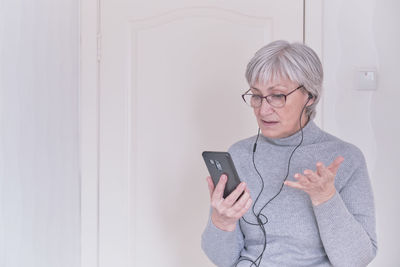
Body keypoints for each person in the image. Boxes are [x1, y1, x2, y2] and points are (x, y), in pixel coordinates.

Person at [201, 40, 377, 266]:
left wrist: (326, 198)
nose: (263, 109)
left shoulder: (345, 158)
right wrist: (221, 222)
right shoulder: (239, 154)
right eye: (256, 95)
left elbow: (356, 259)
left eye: (277, 96)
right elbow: (223, 260)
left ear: (310, 96)